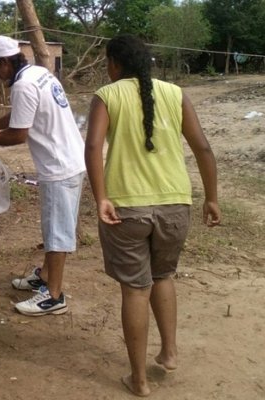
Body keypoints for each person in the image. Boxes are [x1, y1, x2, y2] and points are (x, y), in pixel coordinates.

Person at [84, 34, 221, 397]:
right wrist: (212, 198)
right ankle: (170, 352)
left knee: (134, 289)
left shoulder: (107, 96)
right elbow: (203, 147)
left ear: (114, 63)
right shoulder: (176, 94)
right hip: (176, 205)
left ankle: (139, 380)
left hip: (126, 208)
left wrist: (100, 198)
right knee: (163, 275)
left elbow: (94, 146)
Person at [0, 36, 86, 316]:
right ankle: (45, 276)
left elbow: (19, 134)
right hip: (69, 159)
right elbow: (17, 118)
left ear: (3, 63)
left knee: (57, 232)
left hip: (59, 167)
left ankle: (54, 296)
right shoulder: (38, 73)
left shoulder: (23, 85)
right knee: (52, 226)